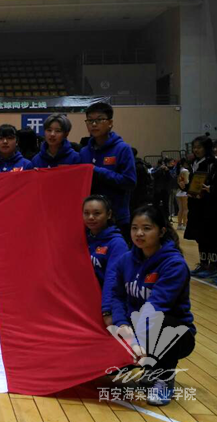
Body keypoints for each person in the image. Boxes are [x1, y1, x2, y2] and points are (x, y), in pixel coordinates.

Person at [107, 205, 195, 406]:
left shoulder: (174, 264)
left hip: (173, 334)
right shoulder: (126, 260)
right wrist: (121, 324)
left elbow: (156, 307)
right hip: (136, 328)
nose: (139, 233)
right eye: (134, 228)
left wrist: (135, 340)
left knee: (163, 323)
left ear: (161, 231)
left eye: (146, 228)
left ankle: (164, 378)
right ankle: (151, 368)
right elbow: (117, 296)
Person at [79, 102, 136, 242]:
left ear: (110, 123)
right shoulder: (84, 152)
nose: (94, 124)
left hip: (117, 218)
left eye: (99, 119)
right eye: (90, 120)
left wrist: (97, 171)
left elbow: (129, 182)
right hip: (91, 220)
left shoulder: (123, 149)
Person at [83, 195, 128, 326]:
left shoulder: (117, 244)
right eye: (86, 213)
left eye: (97, 213)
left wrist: (107, 310)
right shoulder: (82, 238)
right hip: (83, 301)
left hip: (105, 304)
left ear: (109, 215)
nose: (91, 217)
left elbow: (112, 278)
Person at [184, 135, 217, 279]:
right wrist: (186, 188)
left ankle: (214, 266)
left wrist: (211, 189)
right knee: (200, 236)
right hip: (196, 205)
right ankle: (203, 263)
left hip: (210, 207)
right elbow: (192, 184)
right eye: (194, 147)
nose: (196, 150)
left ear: (206, 148)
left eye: (199, 147)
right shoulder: (193, 163)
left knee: (211, 236)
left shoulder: (213, 163)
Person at [129, 148, 153, 212]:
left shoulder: (132, 164)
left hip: (135, 191)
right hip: (143, 190)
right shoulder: (142, 163)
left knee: (135, 209)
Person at [175, 158, 190, 230]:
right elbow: (186, 182)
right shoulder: (185, 170)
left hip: (179, 192)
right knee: (185, 210)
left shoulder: (179, 170)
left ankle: (179, 225)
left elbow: (178, 181)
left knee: (180, 209)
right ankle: (184, 225)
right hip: (184, 192)